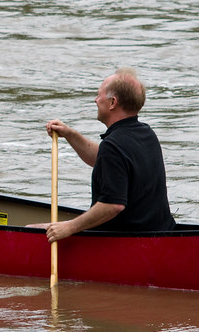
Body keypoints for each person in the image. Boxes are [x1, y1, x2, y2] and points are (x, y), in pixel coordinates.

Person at [32, 67, 175, 241]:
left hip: (126, 241)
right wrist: (70, 134)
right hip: (160, 234)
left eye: (99, 95)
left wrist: (69, 227)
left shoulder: (113, 146)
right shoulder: (146, 134)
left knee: (29, 229)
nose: (96, 100)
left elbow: (113, 205)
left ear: (113, 102)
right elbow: (105, 161)